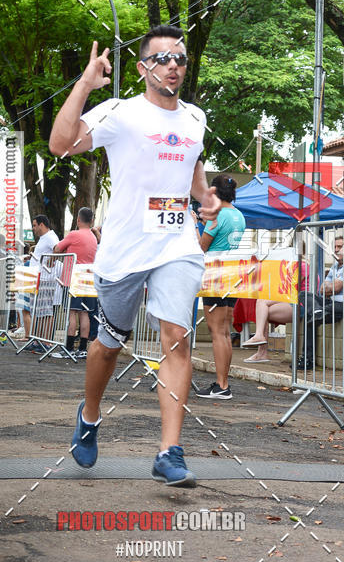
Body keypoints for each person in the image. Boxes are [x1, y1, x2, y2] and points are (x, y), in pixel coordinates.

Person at [49, 25, 220, 487]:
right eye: (163, 58)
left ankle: (169, 451)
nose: (173, 65)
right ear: (144, 67)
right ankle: (89, 415)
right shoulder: (119, 112)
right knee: (109, 346)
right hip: (124, 250)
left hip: (176, 243)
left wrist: (205, 198)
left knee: (176, 336)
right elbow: (60, 145)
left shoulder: (195, 118)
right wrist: (85, 83)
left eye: (180, 59)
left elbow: (194, 167)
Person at [196, 174, 246, 400]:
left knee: (218, 333)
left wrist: (194, 226)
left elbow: (201, 247)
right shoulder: (239, 215)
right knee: (224, 332)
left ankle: (222, 384)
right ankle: (223, 383)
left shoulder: (218, 216)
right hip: (232, 275)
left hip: (215, 275)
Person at [298, 235, 344, 371]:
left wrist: (331, 287)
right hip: (333, 305)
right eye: (334, 247)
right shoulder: (335, 267)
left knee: (327, 308)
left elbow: (335, 288)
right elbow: (322, 289)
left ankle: (319, 311)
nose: (336, 250)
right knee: (304, 296)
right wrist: (330, 287)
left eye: (340, 247)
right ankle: (307, 360)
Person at [241, 254, 315, 364]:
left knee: (261, 305)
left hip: (304, 305)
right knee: (262, 310)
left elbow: (290, 289)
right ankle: (261, 350)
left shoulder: (302, 266)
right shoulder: (296, 266)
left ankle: (260, 345)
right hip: (296, 302)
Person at [53, 207, 98, 358]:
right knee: (84, 313)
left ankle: (69, 348)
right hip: (89, 279)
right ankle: (83, 349)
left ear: (78, 219)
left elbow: (57, 248)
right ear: (91, 220)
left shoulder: (74, 234)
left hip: (73, 279)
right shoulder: (93, 237)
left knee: (71, 313)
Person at [22, 216, 59, 353]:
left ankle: (46, 342)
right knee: (38, 311)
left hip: (46, 279)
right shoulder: (45, 238)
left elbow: (58, 248)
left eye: (34, 225)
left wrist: (52, 260)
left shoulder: (50, 236)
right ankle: (38, 340)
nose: (33, 228)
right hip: (38, 279)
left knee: (46, 311)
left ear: (42, 225)